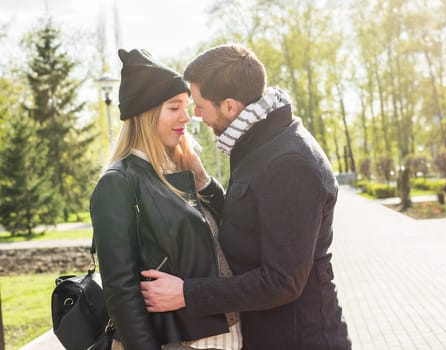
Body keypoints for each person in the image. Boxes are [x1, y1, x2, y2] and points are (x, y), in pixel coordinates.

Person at [141, 44, 351, 350]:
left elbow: (282, 281)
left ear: (230, 106)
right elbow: (254, 221)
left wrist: (187, 293)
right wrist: (204, 184)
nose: (196, 116)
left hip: (302, 340)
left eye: (200, 105)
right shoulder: (260, 143)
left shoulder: (290, 162)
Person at [90, 48, 242, 350]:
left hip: (225, 336)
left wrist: (204, 182)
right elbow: (121, 292)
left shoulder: (178, 169)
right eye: (174, 108)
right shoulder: (119, 182)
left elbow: (231, 227)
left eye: (186, 106)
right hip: (178, 342)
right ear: (146, 114)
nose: (186, 117)